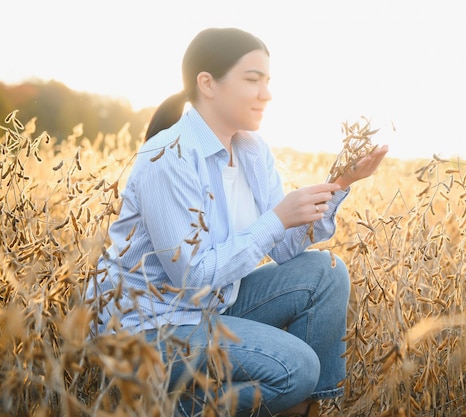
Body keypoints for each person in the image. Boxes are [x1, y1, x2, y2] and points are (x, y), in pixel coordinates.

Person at [86, 27, 388, 417]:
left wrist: (341, 183)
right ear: (208, 84)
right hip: (145, 332)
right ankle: (168, 409)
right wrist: (277, 218)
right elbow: (192, 277)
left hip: (208, 311)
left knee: (326, 271)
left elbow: (284, 247)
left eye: (267, 81)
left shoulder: (251, 149)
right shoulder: (169, 157)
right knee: (297, 366)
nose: (267, 93)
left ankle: (307, 409)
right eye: (253, 80)